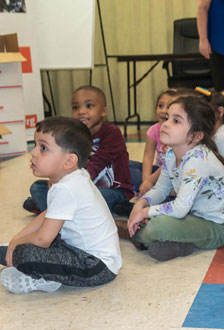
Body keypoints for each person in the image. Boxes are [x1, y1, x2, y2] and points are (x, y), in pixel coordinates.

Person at [0, 117, 122, 294]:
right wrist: (15, 241)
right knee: (12, 250)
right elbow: (48, 215)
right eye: (35, 145)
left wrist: (16, 246)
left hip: (96, 267)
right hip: (78, 252)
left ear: (69, 161)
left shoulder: (66, 188)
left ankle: (45, 280)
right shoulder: (75, 176)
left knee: (24, 254)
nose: (33, 152)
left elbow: (43, 239)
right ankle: (33, 263)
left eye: (43, 148)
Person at [119, 96, 224, 262]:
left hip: (218, 228)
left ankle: (135, 234)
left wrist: (145, 212)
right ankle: (178, 244)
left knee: (157, 226)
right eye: (167, 118)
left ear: (196, 136)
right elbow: (161, 189)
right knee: (158, 218)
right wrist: (141, 203)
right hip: (195, 216)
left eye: (176, 121)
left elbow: (180, 208)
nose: (166, 123)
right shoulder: (171, 154)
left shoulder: (198, 161)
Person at [23, 86, 133, 213]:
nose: (81, 111)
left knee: (88, 197)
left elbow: (98, 162)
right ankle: (55, 209)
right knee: (37, 187)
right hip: (78, 188)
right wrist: (56, 182)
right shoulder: (73, 136)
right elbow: (65, 164)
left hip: (114, 190)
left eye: (89, 106)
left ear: (103, 111)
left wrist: (68, 186)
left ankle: (50, 208)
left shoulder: (111, 132)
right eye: (75, 107)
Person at [129, 89, 178, 195]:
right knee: (127, 165)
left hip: (173, 175)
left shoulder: (179, 133)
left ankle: (164, 191)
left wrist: (150, 181)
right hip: (156, 173)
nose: (163, 110)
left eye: (168, 107)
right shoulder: (154, 130)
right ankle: (152, 189)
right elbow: (148, 156)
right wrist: (146, 181)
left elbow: (172, 164)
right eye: (160, 106)